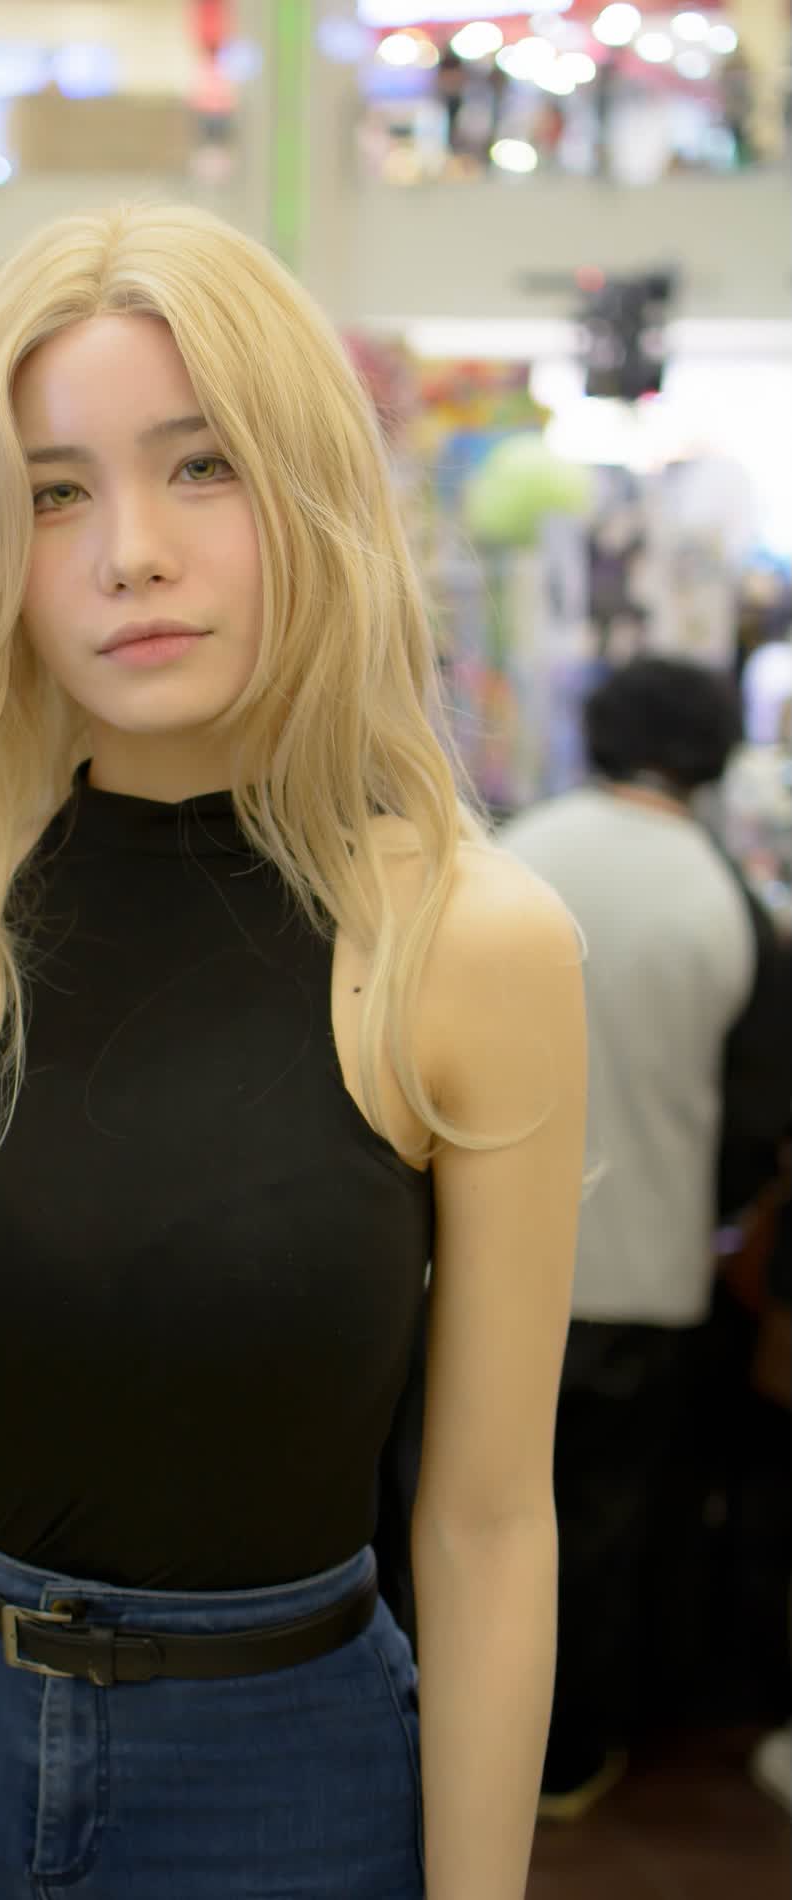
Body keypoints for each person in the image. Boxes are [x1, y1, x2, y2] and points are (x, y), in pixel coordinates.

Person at [0, 203, 586, 1900]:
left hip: (286, 1782)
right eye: (54, 492)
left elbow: (491, 1519)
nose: (130, 552)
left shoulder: (466, 949)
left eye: (201, 466)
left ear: (308, 490)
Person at [501, 657, 783, 1818]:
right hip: (648, 1268)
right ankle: (568, 1757)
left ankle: (464, 1742)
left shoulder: (513, 851)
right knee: (603, 1524)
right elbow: (760, 1116)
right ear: (714, 753)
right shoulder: (727, 898)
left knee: (467, 1505)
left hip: (483, 1261)